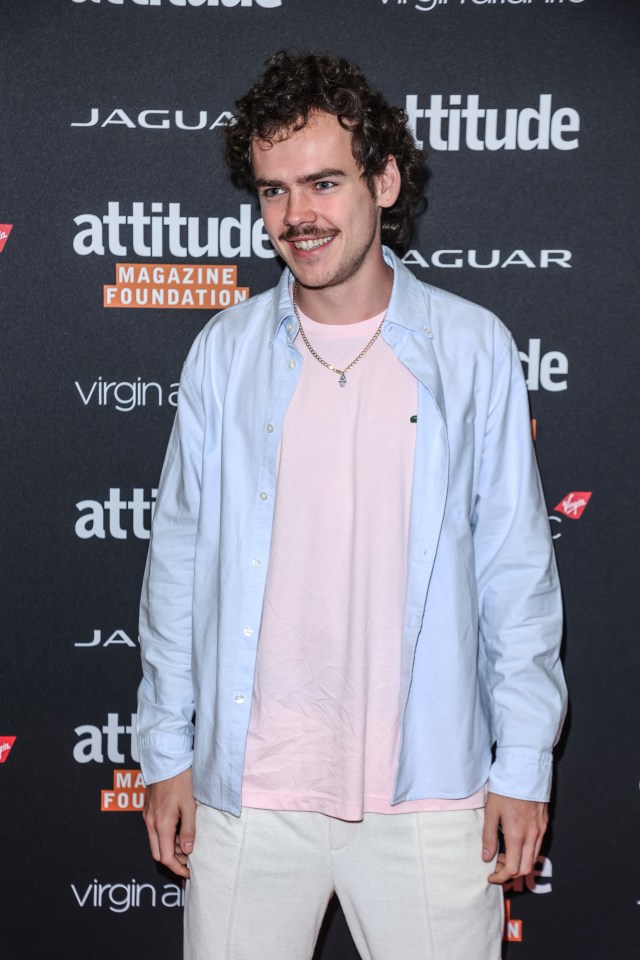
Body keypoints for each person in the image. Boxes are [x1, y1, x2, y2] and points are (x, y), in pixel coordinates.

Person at [137, 51, 567, 960]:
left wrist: (523, 765)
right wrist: (166, 750)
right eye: (272, 191)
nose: (297, 216)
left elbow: (515, 574)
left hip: (429, 794)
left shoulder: (472, 348)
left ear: (384, 179)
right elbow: (175, 565)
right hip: (247, 793)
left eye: (324, 182)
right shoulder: (223, 353)